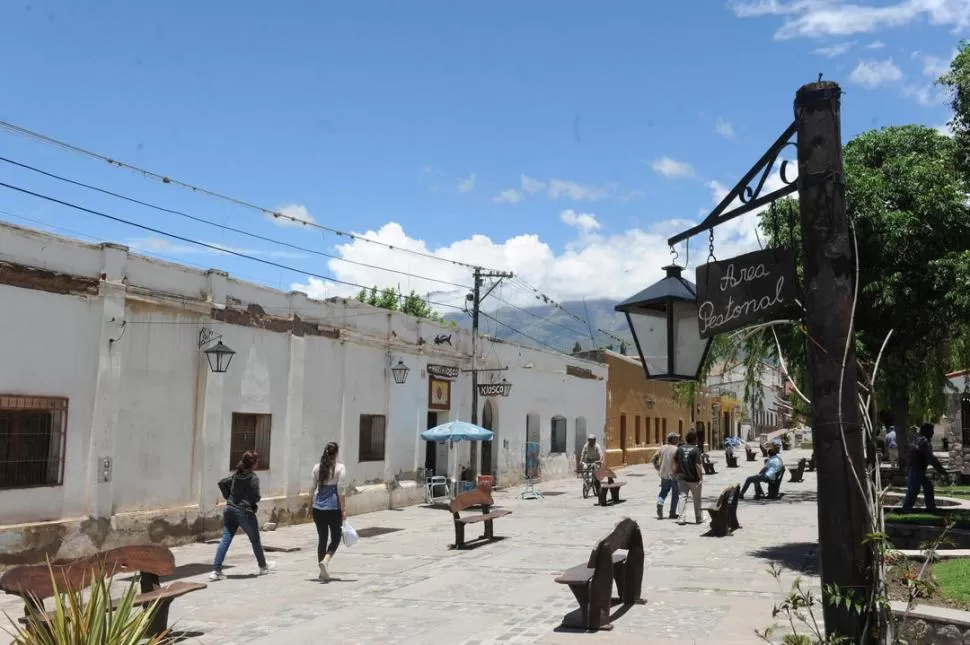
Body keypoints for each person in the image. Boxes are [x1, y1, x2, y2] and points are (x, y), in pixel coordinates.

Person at [210, 451, 273, 580]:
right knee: (255, 539)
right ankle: (263, 567)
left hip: (230, 509)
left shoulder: (236, 475)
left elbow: (222, 483)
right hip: (244, 511)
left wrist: (230, 498)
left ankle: (216, 571)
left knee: (226, 538)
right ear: (254, 464)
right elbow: (255, 497)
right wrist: (250, 502)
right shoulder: (253, 477)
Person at [311, 442, 347, 581]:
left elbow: (312, 488)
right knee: (336, 538)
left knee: (322, 538)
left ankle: (322, 571)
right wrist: (343, 509)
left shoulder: (316, 468)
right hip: (333, 507)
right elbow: (341, 490)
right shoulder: (340, 468)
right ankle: (325, 561)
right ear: (336, 453)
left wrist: (309, 505)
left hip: (318, 507)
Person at [901, 423, 948, 513]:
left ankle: (930, 508)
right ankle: (906, 510)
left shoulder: (917, 439)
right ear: (926, 431)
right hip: (916, 469)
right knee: (914, 490)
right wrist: (942, 470)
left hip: (915, 468)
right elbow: (931, 459)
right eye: (931, 430)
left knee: (928, 487)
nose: (933, 433)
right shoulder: (924, 442)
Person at [675, 430, 703, 525]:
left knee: (682, 497)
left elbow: (675, 462)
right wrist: (701, 477)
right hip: (694, 478)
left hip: (682, 477)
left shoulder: (680, 449)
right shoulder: (696, 450)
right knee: (697, 499)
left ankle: (681, 518)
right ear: (695, 439)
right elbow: (698, 465)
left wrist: (675, 472)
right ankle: (698, 518)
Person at [652, 432, 681, 520]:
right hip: (674, 474)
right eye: (676, 438)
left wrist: (657, 467)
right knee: (675, 493)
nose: (678, 440)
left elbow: (654, 458)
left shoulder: (662, 448)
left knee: (663, 491)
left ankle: (660, 503)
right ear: (672, 439)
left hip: (664, 473)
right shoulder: (677, 449)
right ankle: (672, 513)